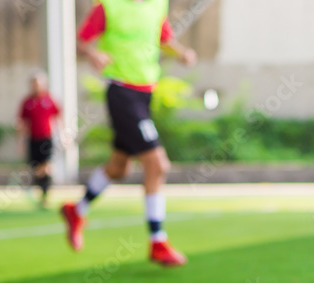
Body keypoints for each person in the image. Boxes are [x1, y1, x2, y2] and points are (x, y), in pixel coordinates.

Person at [61, 0, 196, 265]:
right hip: (122, 93)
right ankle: (157, 242)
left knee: (119, 167)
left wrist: (180, 53)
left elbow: (163, 36)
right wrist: (92, 53)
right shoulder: (109, 6)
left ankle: (76, 210)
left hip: (145, 95)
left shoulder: (158, 5)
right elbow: (82, 40)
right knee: (158, 166)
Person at [17, 71, 62, 208]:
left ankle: (45, 195)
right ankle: (42, 192)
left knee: (46, 167)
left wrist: (63, 134)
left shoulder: (49, 100)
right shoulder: (27, 102)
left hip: (46, 138)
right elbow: (22, 122)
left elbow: (58, 117)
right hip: (33, 139)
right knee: (35, 168)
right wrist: (20, 141)